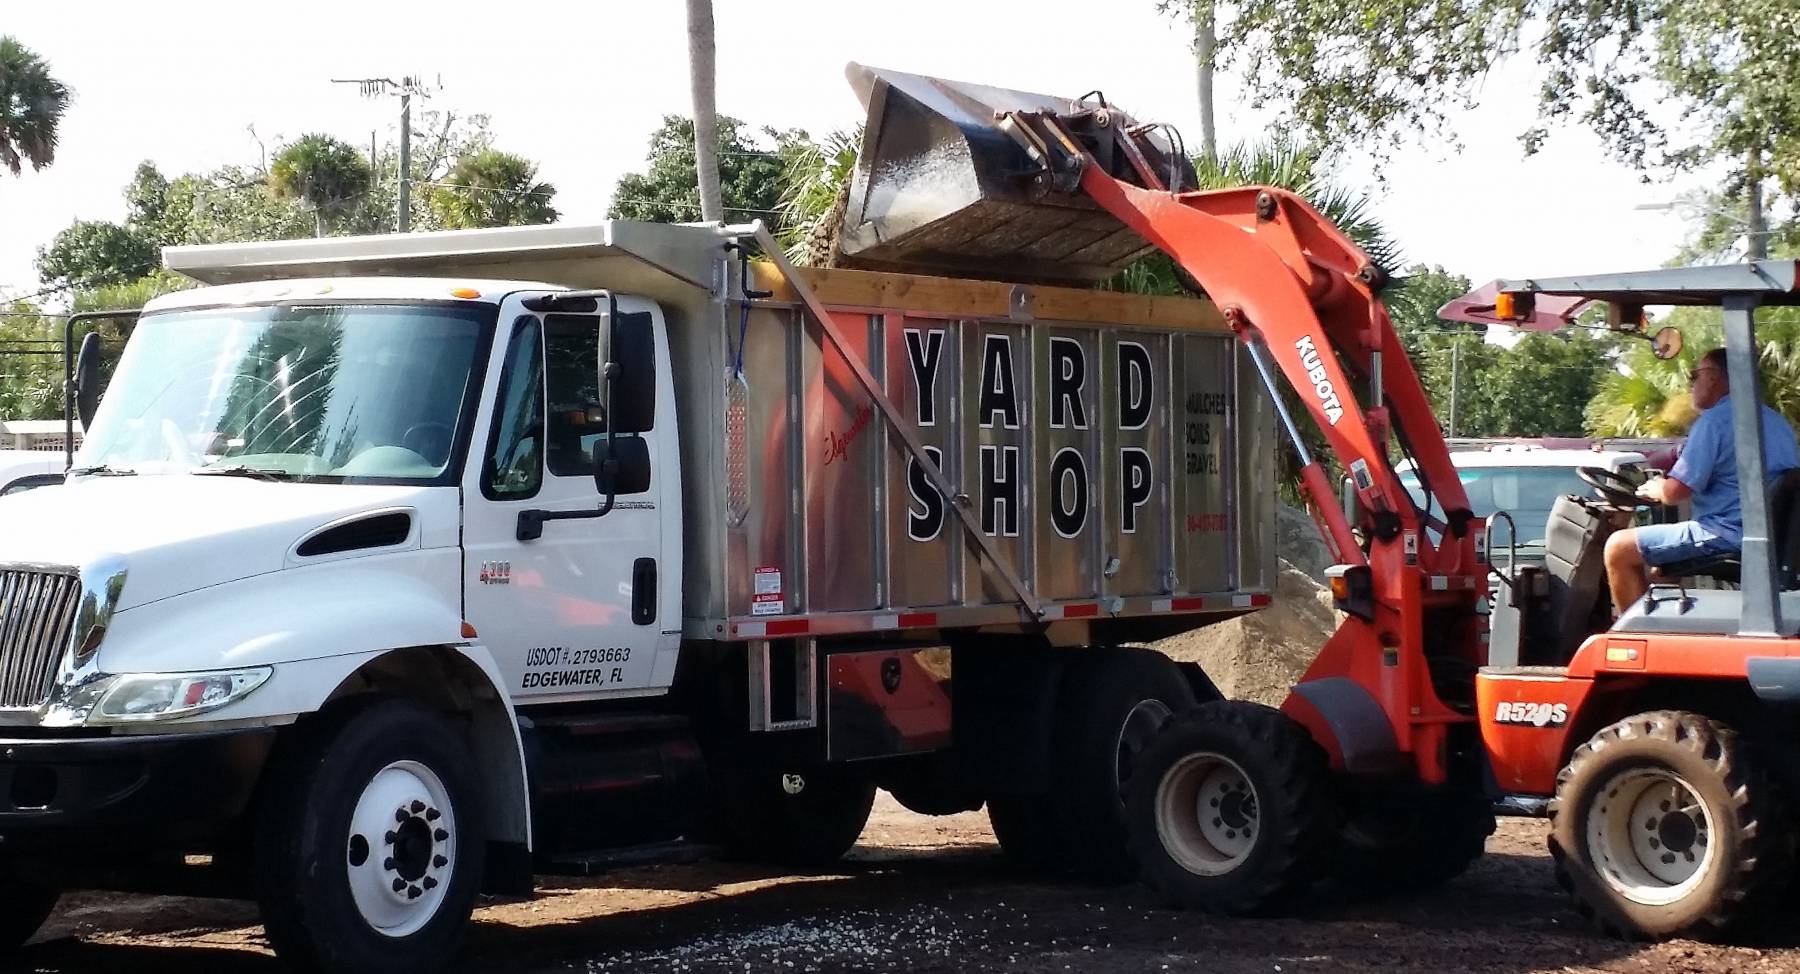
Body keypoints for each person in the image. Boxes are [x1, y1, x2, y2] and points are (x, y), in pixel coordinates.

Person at [1604, 347, 1800, 610]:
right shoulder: (1777, 422)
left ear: (1713, 377)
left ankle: (1633, 639)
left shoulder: (1715, 422)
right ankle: (1668, 630)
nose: (1692, 384)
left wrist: (1657, 487)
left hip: (1726, 533)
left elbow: (1676, 492)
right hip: (1769, 535)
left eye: (1694, 376)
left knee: (1618, 548)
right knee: (1660, 572)